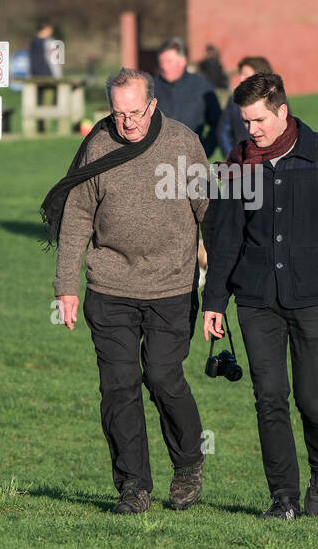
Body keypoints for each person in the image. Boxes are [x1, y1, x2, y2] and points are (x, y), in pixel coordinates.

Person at [43, 68, 210, 514]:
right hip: (110, 284)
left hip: (171, 284)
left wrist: (219, 272)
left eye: (136, 112)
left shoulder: (182, 143)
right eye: (119, 114)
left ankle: (189, 463)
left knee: (162, 375)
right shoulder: (98, 146)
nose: (128, 122)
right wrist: (66, 286)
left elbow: (208, 208)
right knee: (118, 388)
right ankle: (133, 486)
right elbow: (76, 218)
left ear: (152, 106)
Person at [203, 72, 318, 520]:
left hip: (315, 297)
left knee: (312, 399)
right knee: (269, 398)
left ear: (281, 111)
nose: (250, 130)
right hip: (256, 301)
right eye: (244, 122)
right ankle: (283, 499)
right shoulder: (240, 163)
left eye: (257, 120)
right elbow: (228, 236)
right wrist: (214, 301)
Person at [151, 37, 221, 158]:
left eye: (169, 62)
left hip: (192, 160)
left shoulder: (201, 86)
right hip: (157, 160)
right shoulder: (150, 87)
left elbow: (218, 122)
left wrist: (205, 150)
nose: (164, 66)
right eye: (161, 62)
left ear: (182, 61)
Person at [217, 55, 270, 157]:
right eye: (240, 74)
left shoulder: (275, 99)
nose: (241, 78)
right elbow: (222, 131)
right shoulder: (233, 101)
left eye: (245, 75)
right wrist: (232, 157)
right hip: (242, 164)